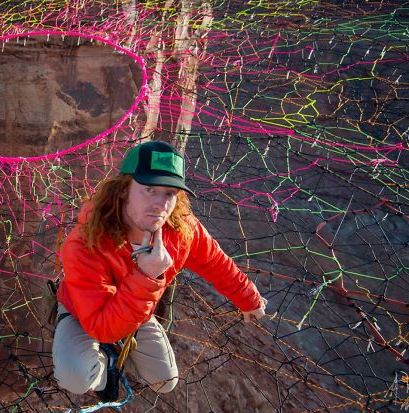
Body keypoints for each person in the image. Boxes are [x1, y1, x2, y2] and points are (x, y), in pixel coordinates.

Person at [52, 140, 267, 397]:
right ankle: (103, 364)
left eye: (169, 193)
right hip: (86, 312)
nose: (160, 204)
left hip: (135, 311)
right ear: (123, 189)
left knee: (165, 381)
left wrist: (248, 299)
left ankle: (117, 354)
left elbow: (214, 262)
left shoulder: (181, 230)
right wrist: (146, 276)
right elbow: (101, 327)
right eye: (149, 189)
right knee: (77, 378)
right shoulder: (85, 241)